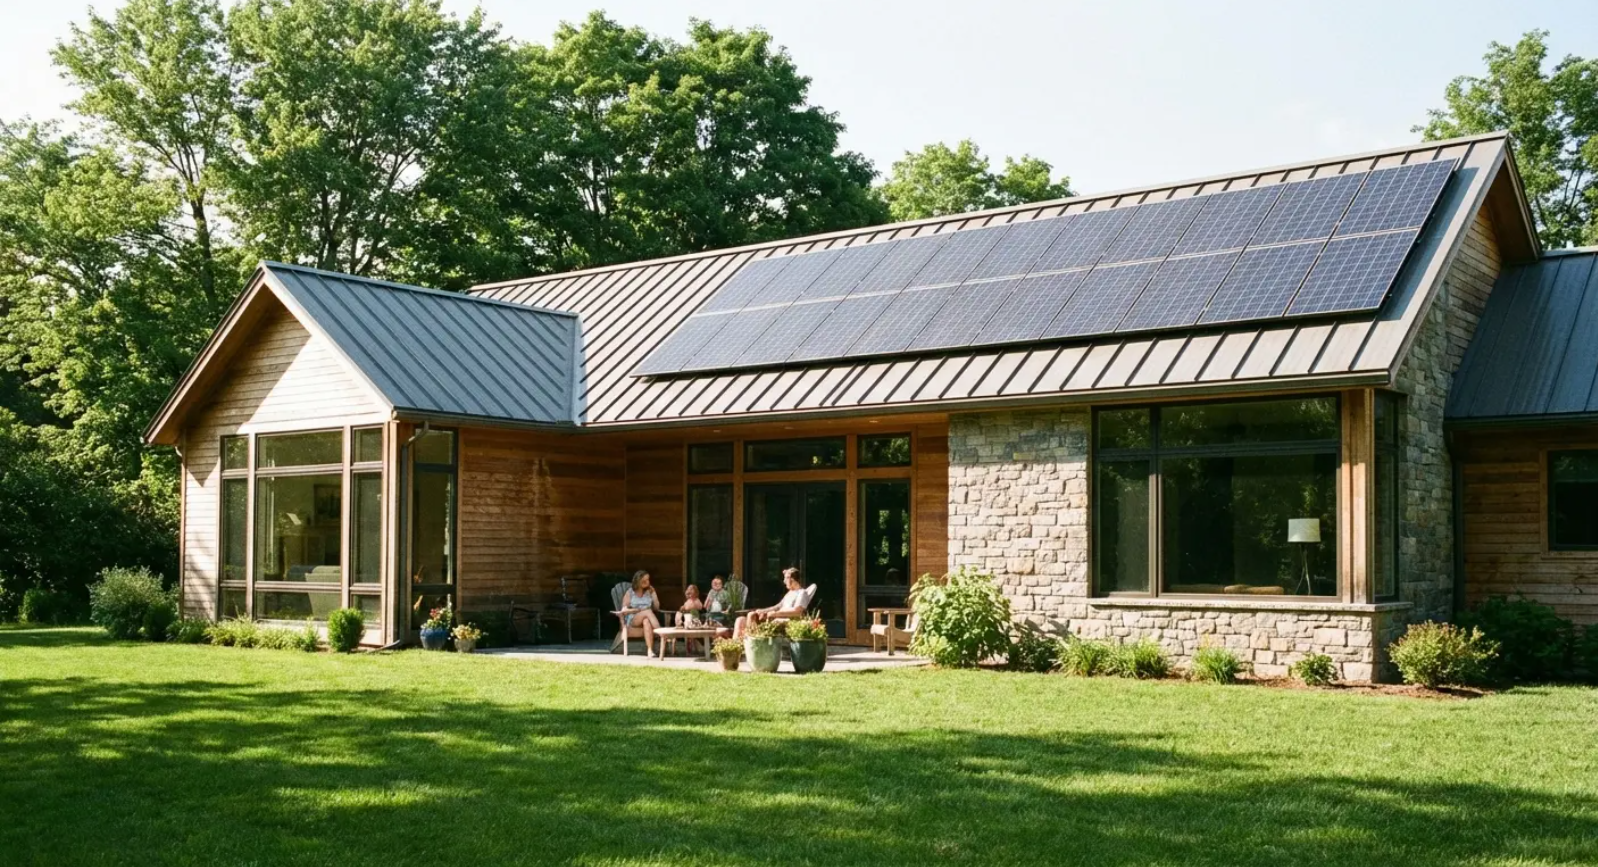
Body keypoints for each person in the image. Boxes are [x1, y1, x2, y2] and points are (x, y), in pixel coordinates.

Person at [734, 567, 809, 638]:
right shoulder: (789, 593)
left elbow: (798, 612)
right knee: (740, 620)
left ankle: (751, 643)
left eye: (785, 578)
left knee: (751, 616)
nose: (784, 581)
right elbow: (778, 607)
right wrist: (763, 610)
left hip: (784, 620)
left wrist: (775, 614)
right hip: (774, 617)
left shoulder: (802, 593)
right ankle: (737, 645)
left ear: (792, 579)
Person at [618, 570, 662, 656]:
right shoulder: (630, 592)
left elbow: (657, 608)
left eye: (648, 580)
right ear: (638, 581)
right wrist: (623, 624)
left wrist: (654, 594)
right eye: (644, 580)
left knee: (646, 621)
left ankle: (649, 650)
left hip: (648, 619)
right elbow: (623, 610)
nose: (647, 582)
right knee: (648, 611)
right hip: (633, 619)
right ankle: (661, 633)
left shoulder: (649, 591)